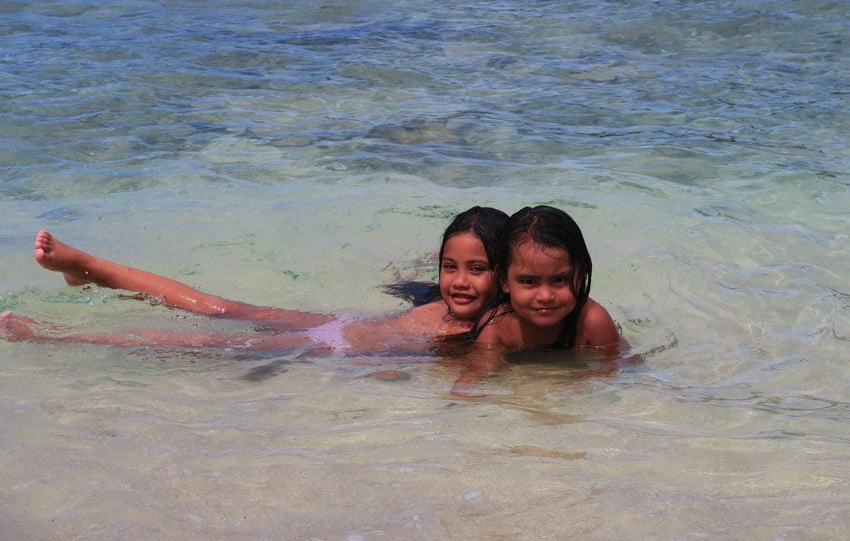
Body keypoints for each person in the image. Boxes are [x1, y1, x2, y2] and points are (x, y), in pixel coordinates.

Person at [2, 207, 509, 356]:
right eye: (450, 267)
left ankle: (52, 333)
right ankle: (90, 266)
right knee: (219, 307)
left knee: (200, 342)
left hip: (325, 344)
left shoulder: (501, 322)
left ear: (505, 275)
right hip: (337, 327)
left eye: (477, 269)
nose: (459, 282)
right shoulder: (450, 305)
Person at [451, 205, 620, 394]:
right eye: (529, 281)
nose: (545, 296)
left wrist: (580, 384)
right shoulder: (497, 326)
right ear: (504, 280)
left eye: (559, 279)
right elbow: (474, 374)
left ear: (580, 275)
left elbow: (615, 368)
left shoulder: (593, 321)